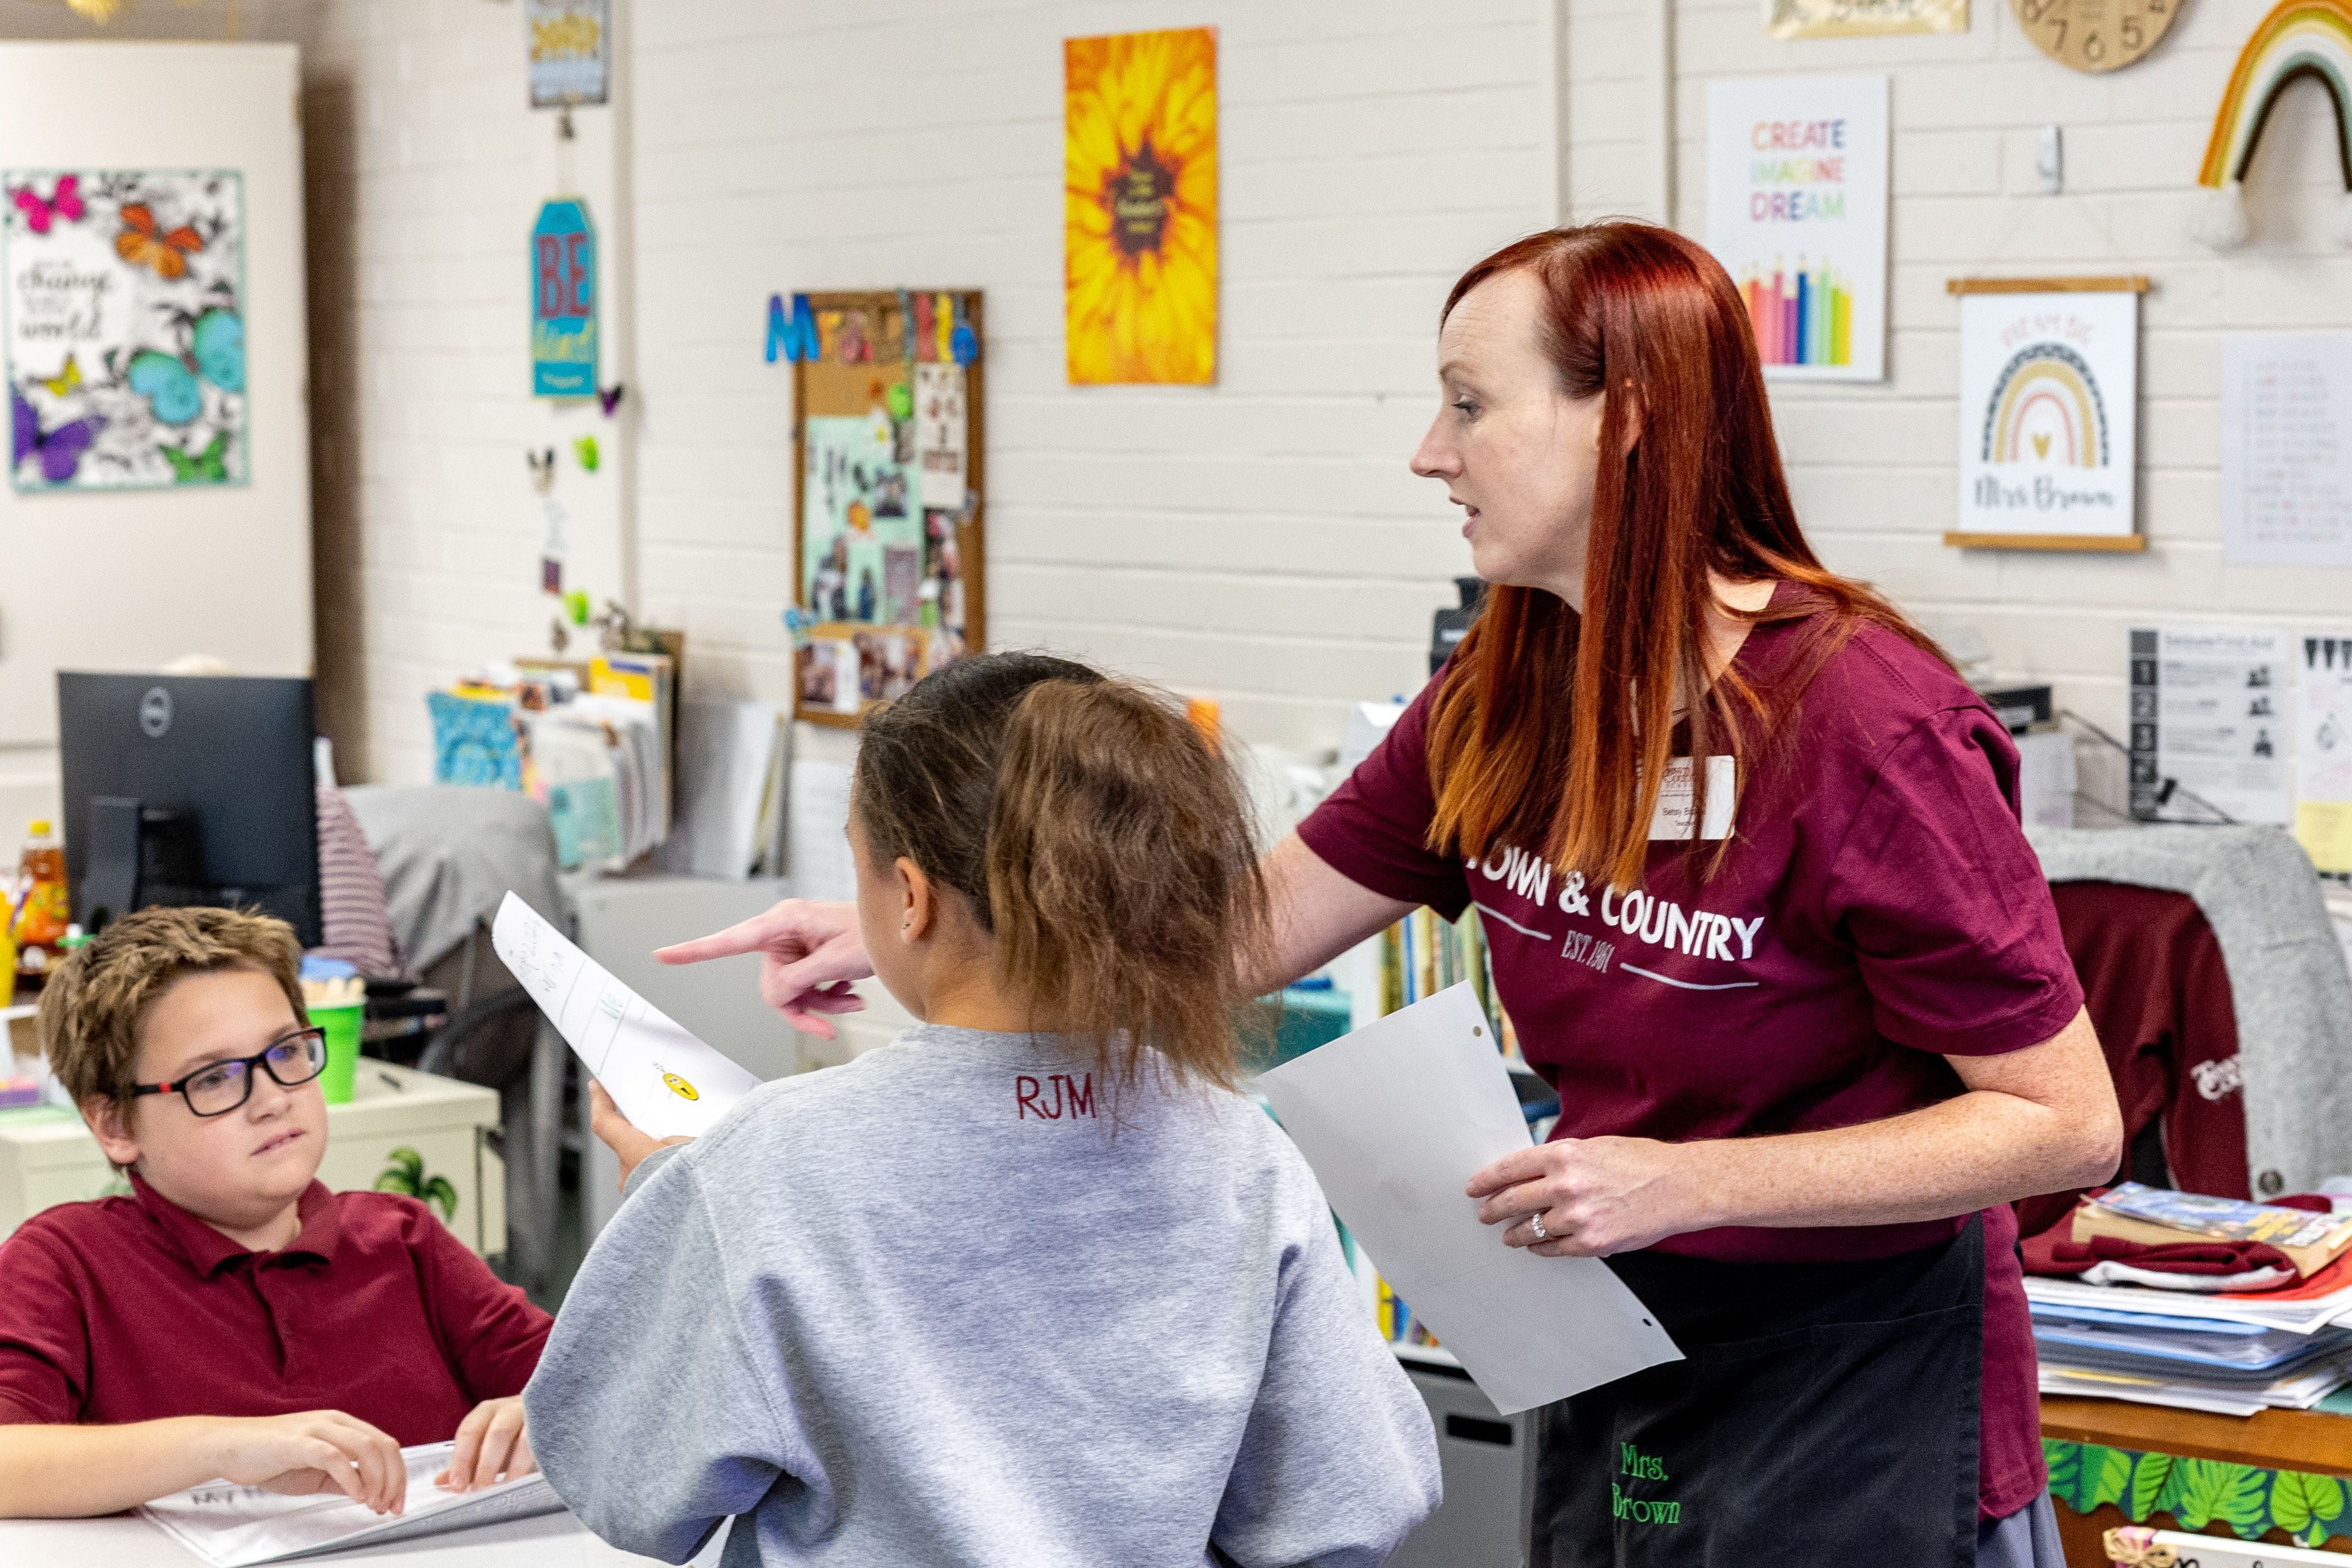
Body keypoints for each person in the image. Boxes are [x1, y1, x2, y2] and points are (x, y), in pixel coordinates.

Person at [658, 224, 2123, 1567]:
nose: (1431, 451)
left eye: (1470, 405)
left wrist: (1688, 1178)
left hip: (1849, 1373)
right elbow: (1245, 927)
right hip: (1611, 1330)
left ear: (1627, 422)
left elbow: (2061, 1119)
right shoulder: (1505, 686)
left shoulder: (1863, 724)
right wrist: (926, 929)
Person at [530, 653, 1439, 1566]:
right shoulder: (1243, 1152)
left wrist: (675, 1202)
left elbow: (627, 1488)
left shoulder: (765, 1165)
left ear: (913, 897)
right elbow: (1345, 1505)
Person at [0, 906, 549, 1518]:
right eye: (213, 1078)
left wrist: (541, 1410)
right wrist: (217, 1446)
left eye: (286, 1052)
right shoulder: (63, 1262)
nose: (272, 1099)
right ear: (114, 1124)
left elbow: (590, 1383)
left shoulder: (403, 1237)